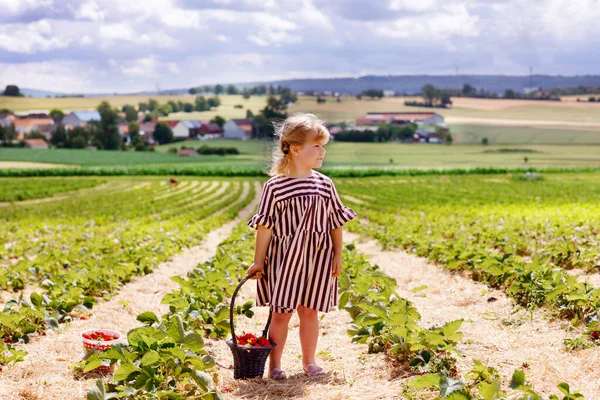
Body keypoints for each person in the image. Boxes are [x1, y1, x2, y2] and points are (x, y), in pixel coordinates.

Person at [246, 113, 357, 380]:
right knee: (281, 312)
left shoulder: (324, 184)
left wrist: (338, 255)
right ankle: (275, 366)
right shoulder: (275, 187)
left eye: (324, 146)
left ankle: (309, 361)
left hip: (318, 257)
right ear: (296, 149)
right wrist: (258, 261)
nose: (323, 151)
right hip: (285, 258)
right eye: (316, 146)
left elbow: (335, 223)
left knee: (310, 311)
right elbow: (265, 227)